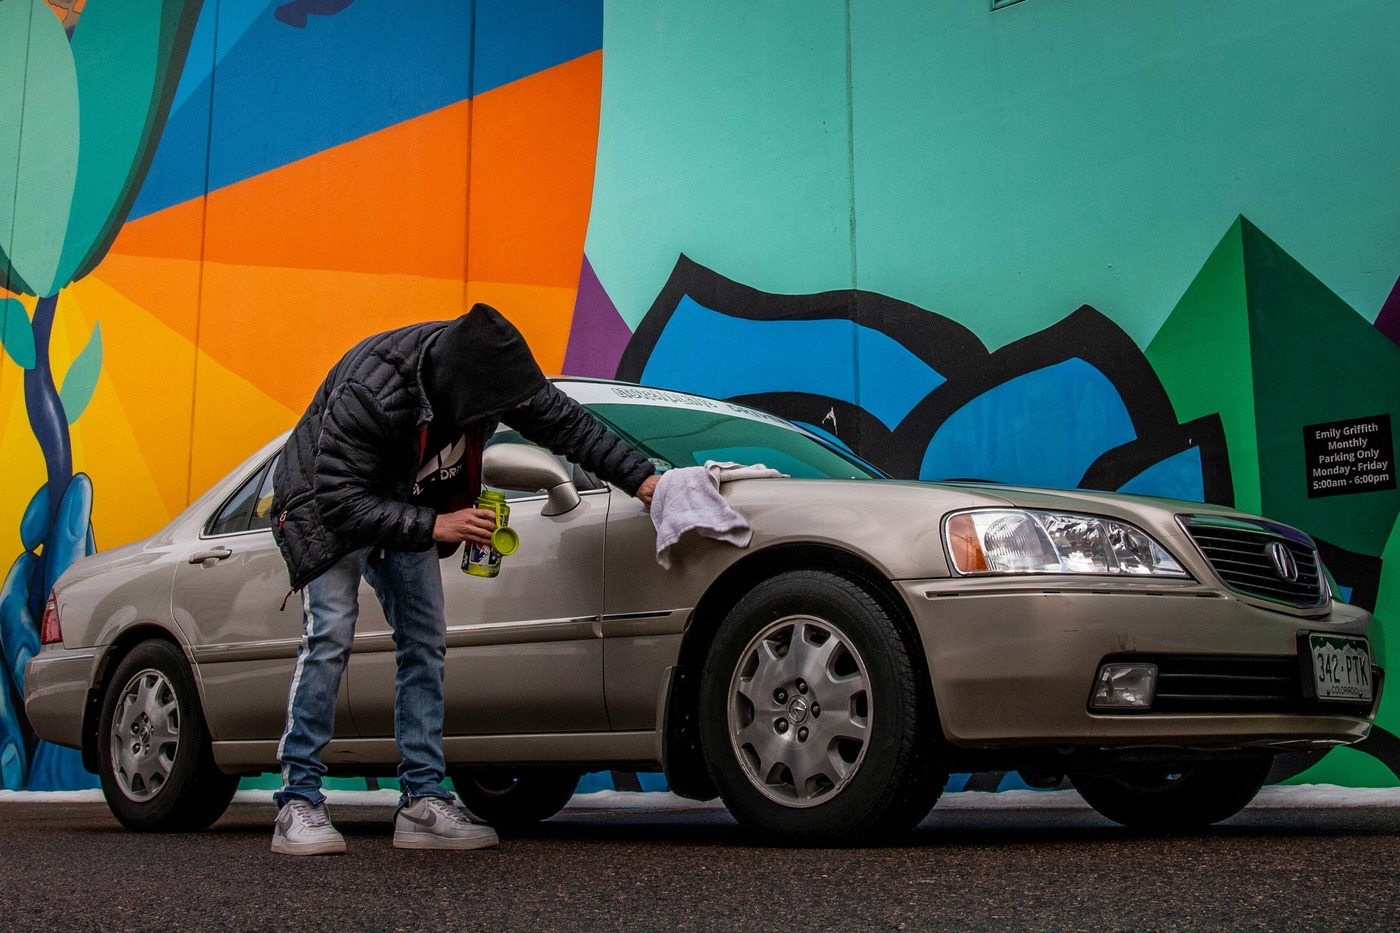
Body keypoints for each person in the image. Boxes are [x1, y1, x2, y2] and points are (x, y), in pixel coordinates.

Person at [267, 304, 659, 856]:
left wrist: (647, 482)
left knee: (425, 641)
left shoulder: (489, 371)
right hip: (327, 504)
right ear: (457, 390)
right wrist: (438, 523)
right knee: (331, 634)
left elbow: (569, 425)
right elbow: (340, 499)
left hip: (405, 500)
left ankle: (422, 801)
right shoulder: (373, 389)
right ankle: (297, 800)